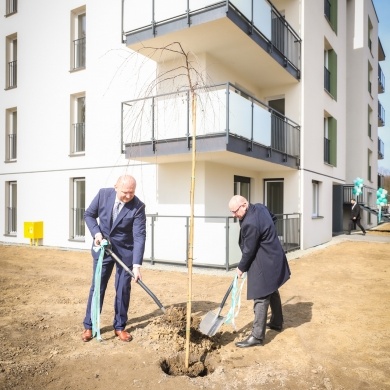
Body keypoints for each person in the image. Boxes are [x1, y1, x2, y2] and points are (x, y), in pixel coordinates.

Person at [82, 175, 146, 342]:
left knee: (123, 289)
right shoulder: (103, 195)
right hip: (103, 249)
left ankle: (119, 327)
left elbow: (139, 236)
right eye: (125, 192)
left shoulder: (138, 207)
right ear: (116, 187)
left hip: (125, 253)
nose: (128, 196)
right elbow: (89, 215)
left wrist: (137, 265)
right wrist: (96, 233)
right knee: (98, 287)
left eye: (131, 193)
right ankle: (89, 325)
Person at [228, 195, 291, 348]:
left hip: (264, 260)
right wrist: (268, 238)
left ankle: (257, 336)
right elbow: (273, 218)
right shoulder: (260, 207)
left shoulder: (250, 223)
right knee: (271, 288)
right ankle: (276, 322)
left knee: (261, 296)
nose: (234, 215)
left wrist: (241, 268)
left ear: (244, 205)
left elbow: (249, 251)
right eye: (232, 212)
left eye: (235, 211)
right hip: (273, 254)